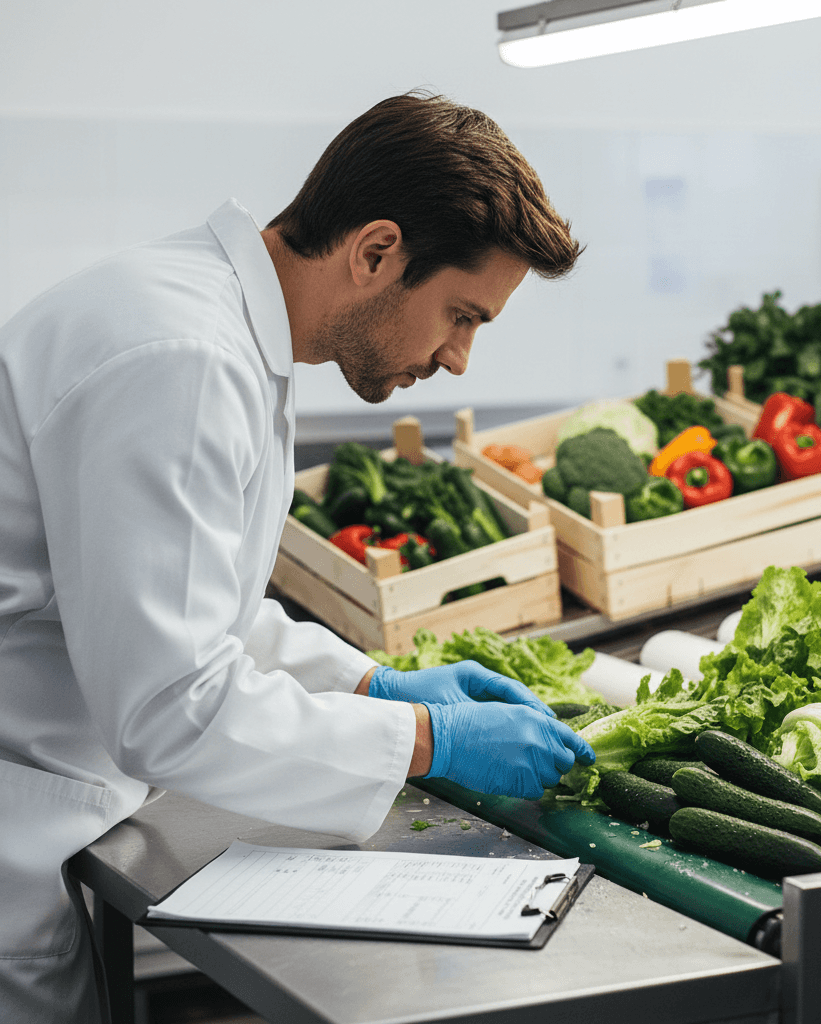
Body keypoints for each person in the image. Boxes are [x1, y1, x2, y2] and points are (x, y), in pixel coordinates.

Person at [0, 91, 594, 1024]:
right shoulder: (183, 357)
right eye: (461, 315)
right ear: (375, 251)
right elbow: (169, 706)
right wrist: (427, 743)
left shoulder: (218, 326)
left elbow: (199, 605)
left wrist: (375, 686)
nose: (460, 359)